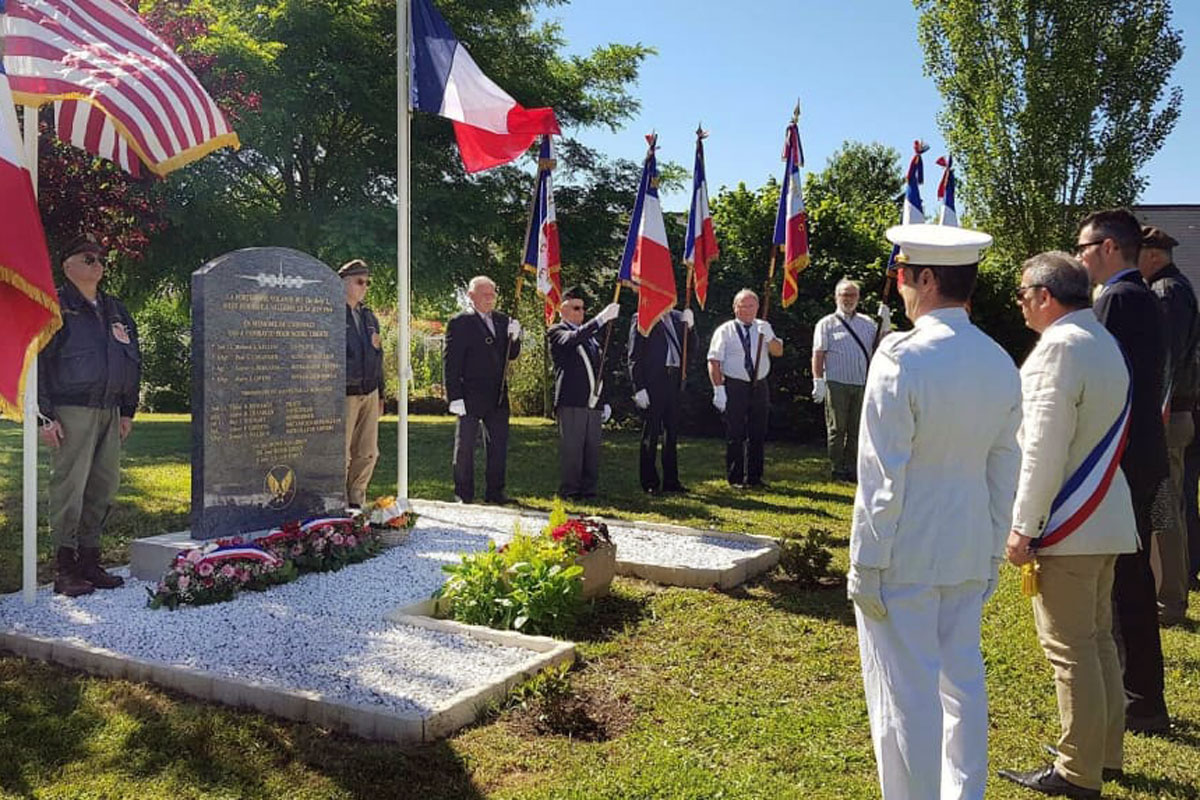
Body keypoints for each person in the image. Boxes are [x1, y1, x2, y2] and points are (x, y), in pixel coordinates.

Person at [848, 224, 1021, 800]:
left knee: (905, 696)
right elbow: (1005, 467)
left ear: (926, 279)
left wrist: (866, 561)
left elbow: (881, 475)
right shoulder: (998, 360)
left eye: (903, 275)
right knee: (962, 685)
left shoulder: (902, 356)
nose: (899, 287)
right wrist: (995, 546)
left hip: (906, 551)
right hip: (968, 544)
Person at [997, 252, 1138, 799]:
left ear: (1044, 295)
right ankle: (1104, 752)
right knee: (1097, 640)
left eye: (1022, 294)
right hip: (1104, 515)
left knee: (1071, 648)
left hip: (1070, 521)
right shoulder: (1101, 341)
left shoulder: (1058, 349)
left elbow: (1042, 448)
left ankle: (1078, 771)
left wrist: (1024, 525)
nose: (1020, 303)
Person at [1075, 208, 1171, 735]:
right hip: (1142, 455)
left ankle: (1140, 698)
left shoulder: (1116, 299)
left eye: (1085, 247)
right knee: (1132, 579)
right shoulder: (1143, 296)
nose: (1080, 256)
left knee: (1125, 582)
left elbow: (1104, 386)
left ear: (1110, 247)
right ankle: (1142, 696)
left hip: (1125, 459)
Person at [37, 233, 139, 597]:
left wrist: (127, 410)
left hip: (110, 412)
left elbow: (132, 360)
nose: (98, 265)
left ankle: (90, 561)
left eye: (100, 259)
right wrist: (43, 417)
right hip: (71, 409)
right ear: (68, 266)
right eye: (89, 258)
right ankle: (65, 568)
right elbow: (38, 365)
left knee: (103, 487)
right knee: (70, 489)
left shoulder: (116, 309)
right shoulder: (56, 307)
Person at [1138, 225, 1198, 626]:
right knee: (1167, 506)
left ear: (1155, 254)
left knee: (1163, 509)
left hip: (1168, 415)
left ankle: (1169, 601)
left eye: (1137, 252)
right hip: (1174, 412)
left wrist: (1153, 412)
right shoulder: (1175, 288)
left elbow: (1167, 359)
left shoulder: (1164, 292)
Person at [444, 275, 521, 504]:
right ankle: (463, 493)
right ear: (471, 296)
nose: (490, 299)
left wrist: (515, 338)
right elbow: (451, 362)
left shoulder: (502, 320)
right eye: (485, 295)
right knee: (465, 446)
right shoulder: (460, 322)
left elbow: (511, 354)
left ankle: (495, 493)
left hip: (496, 393)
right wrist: (454, 396)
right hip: (469, 393)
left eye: (493, 294)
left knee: (498, 446)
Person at [548, 287, 619, 498]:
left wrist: (604, 401)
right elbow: (571, 340)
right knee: (573, 450)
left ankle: (588, 491)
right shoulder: (557, 331)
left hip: (592, 401)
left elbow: (599, 370)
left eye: (583, 309)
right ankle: (569, 491)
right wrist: (599, 320)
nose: (581, 312)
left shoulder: (591, 338)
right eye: (576, 308)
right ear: (563, 309)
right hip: (572, 400)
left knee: (591, 449)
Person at [707, 289, 782, 488]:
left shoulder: (763, 327)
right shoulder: (725, 330)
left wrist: (770, 338)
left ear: (757, 307)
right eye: (742, 306)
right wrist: (718, 389)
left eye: (751, 306)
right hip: (735, 385)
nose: (747, 310)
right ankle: (736, 477)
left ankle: (755, 477)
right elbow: (714, 360)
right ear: (735, 308)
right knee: (735, 433)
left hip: (759, 385)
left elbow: (777, 351)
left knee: (758, 432)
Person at [811, 278, 878, 481]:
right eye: (844, 295)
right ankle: (837, 467)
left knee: (858, 428)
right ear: (836, 297)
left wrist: (885, 325)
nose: (848, 299)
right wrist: (818, 380)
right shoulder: (826, 324)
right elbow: (818, 353)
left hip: (862, 382)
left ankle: (852, 467)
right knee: (837, 428)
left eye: (852, 295)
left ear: (858, 298)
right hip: (836, 383)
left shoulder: (868, 323)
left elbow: (882, 346)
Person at [628, 305, 697, 494]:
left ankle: (671, 481)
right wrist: (639, 387)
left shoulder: (677, 317)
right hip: (653, 383)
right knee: (651, 433)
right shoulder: (643, 316)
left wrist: (690, 328)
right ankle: (649, 481)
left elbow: (691, 348)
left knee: (671, 434)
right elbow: (634, 356)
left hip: (673, 380)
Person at [340, 259, 384, 511]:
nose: (364, 286)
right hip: (344, 392)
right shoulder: (331, 314)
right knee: (342, 453)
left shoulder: (369, 317)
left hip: (369, 390)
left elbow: (378, 356)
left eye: (367, 282)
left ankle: (356, 499)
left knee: (368, 452)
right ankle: (336, 501)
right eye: (359, 282)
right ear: (343, 282)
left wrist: (380, 394)